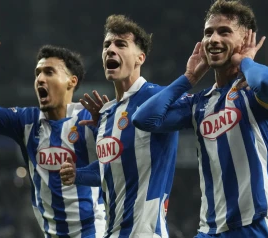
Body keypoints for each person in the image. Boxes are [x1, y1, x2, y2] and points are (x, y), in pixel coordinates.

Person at [132, 0, 268, 237]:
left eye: (224, 32)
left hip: (257, 225)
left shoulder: (253, 95)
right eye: (208, 33)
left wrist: (245, 61)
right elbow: (144, 119)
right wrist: (188, 78)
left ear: (244, 39)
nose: (213, 39)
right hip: (210, 230)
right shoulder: (199, 103)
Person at [0, 33, 105, 238]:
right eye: (37, 73)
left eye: (49, 72)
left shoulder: (92, 118)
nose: (40, 79)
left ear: (71, 81)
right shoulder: (25, 120)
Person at [60, 15, 179, 238]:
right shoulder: (106, 113)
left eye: (120, 44)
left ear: (140, 58)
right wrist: (78, 174)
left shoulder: (157, 97)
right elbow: (109, 169)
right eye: (107, 45)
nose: (110, 50)